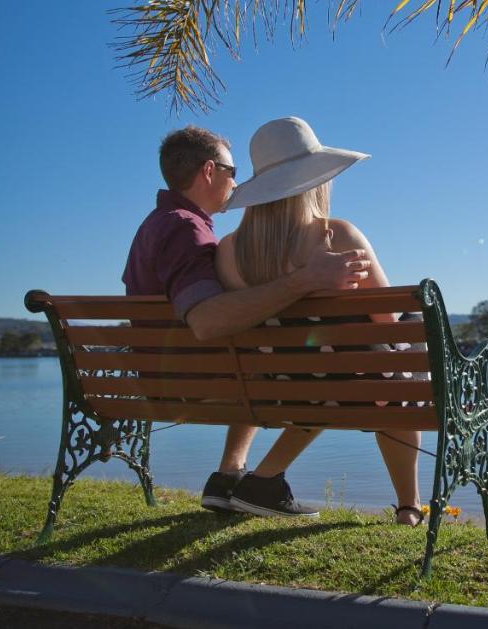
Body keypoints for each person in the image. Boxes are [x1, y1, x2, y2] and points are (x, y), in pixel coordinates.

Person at [122, 125, 371, 518]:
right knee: (324, 366)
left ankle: (229, 475)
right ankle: (263, 482)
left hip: (162, 375)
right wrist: (305, 279)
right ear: (208, 171)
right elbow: (205, 321)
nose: (236, 182)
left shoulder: (157, 224)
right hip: (194, 382)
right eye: (231, 171)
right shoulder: (186, 230)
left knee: (258, 351)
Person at [215, 117, 423, 526]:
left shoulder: (227, 252)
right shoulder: (338, 235)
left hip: (279, 387)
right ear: (314, 180)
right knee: (404, 348)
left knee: (361, 368)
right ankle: (409, 507)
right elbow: (388, 322)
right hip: (352, 385)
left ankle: (265, 477)